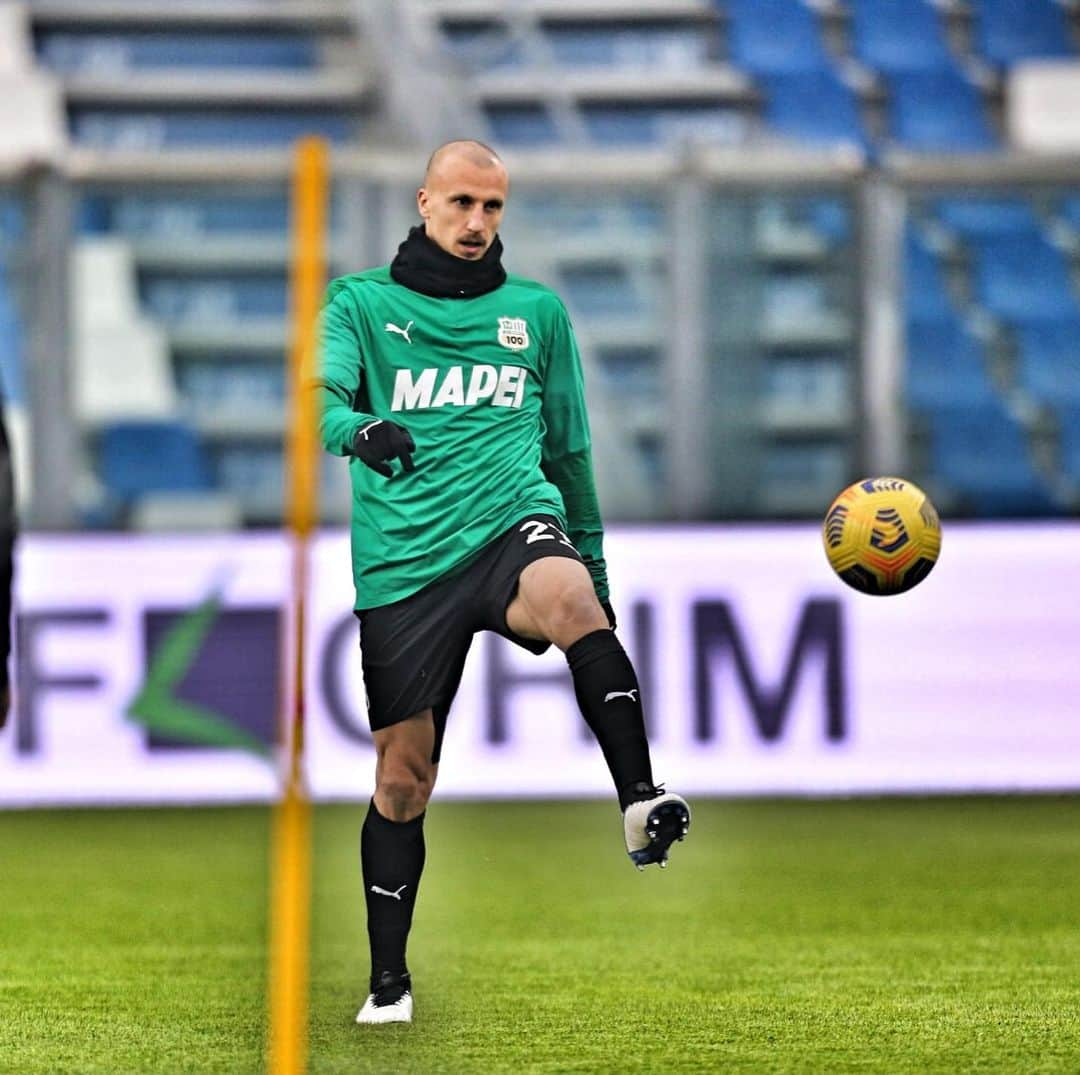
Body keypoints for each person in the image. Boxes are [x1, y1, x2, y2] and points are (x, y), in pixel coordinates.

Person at [317, 140, 690, 1026]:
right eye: (462, 204)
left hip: (514, 521)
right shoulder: (362, 303)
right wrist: (359, 429)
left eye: (493, 207)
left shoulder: (537, 313)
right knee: (403, 780)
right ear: (424, 202)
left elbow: (570, 451)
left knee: (568, 599)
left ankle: (639, 799)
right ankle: (388, 983)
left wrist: (593, 563)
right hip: (407, 561)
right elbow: (320, 397)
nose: (478, 222)